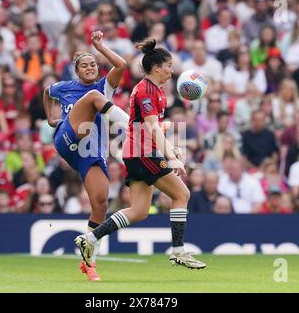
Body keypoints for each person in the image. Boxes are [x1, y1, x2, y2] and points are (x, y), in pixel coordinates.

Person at [74, 38, 206, 271]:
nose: (171, 69)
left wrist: (169, 149)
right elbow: (152, 127)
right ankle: (178, 251)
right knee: (182, 193)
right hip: (143, 153)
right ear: (156, 67)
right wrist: (172, 157)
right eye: (168, 65)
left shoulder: (156, 90)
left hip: (139, 153)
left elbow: (150, 127)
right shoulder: (146, 90)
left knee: (139, 211)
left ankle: (91, 238)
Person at [43, 30, 129, 281]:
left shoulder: (105, 86)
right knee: (92, 97)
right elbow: (47, 92)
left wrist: (100, 47)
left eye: (93, 64)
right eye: (85, 65)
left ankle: (89, 262)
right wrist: (51, 118)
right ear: (77, 70)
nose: (91, 67)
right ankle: (133, 126)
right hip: (67, 138)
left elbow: (122, 64)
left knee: (101, 204)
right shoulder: (67, 88)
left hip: (89, 154)